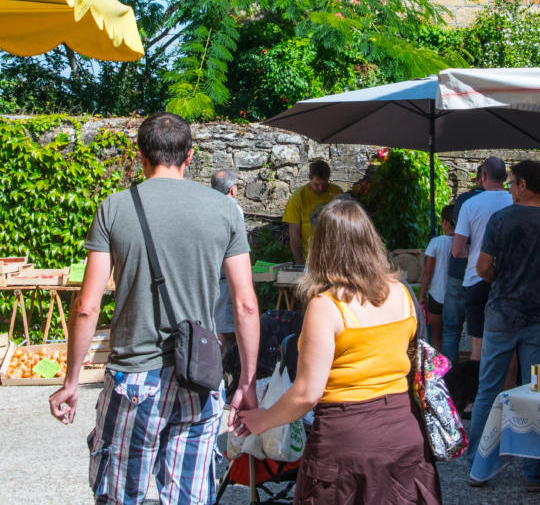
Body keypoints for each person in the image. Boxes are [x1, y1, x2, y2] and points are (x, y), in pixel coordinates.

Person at [49, 112, 260, 505]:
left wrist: (72, 380)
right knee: (188, 497)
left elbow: (86, 306)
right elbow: (245, 305)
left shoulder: (113, 208)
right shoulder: (225, 211)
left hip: (133, 377)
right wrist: (246, 383)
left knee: (119, 495)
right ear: (190, 156)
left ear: (140, 155)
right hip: (200, 376)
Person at [237, 197, 441, 505]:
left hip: (347, 440)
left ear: (321, 248)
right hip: (404, 431)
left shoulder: (327, 306)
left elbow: (307, 392)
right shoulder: (402, 292)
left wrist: (262, 421)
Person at [467, 159, 540, 493]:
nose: (510, 189)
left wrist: (495, 278)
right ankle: (533, 471)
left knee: (488, 391)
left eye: (512, 183)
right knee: (537, 394)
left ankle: (478, 464)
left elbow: (484, 266)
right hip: (539, 316)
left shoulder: (501, 220)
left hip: (503, 313)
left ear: (521, 185)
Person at [452, 157, 512, 360]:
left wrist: (476, 251)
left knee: (478, 341)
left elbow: (457, 250)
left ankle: (477, 388)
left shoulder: (470, 204)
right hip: (509, 278)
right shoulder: (516, 201)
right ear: (505, 177)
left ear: (483, 176)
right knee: (508, 340)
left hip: (476, 276)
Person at [442, 166, 483, 363]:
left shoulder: (464, 200)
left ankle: (449, 376)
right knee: (480, 331)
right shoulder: (505, 200)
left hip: (459, 268)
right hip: (483, 271)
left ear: (478, 178)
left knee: (451, 329)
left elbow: (458, 235)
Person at [283, 158, 342, 263]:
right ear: (309, 178)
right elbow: (294, 235)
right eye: (316, 184)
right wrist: (299, 263)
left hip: (335, 258)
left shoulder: (337, 193)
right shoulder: (298, 197)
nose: (320, 188)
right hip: (310, 260)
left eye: (324, 185)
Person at [211, 168, 244, 352]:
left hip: (209, 278)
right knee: (225, 332)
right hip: (226, 279)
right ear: (232, 189)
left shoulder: (205, 206)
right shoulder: (233, 209)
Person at [420, 205, 455, 352]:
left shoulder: (436, 242)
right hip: (456, 294)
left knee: (435, 336)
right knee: (452, 334)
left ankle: (437, 371)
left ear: (445, 222)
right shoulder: (464, 242)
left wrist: (422, 294)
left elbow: (428, 271)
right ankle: (453, 368)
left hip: (436, 294)